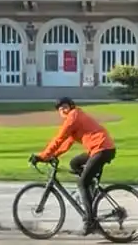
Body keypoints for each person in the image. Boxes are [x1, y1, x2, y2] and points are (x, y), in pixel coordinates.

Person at [32, 97, 116, 234]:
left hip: (102, 149)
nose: (63, 110)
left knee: (82, 183)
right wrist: (53, 156)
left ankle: (90, 222)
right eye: (60, 109)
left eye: (65, 107)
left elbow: (59, 138)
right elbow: (66, 143)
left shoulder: (73, 117)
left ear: (71, 106)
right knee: (74, 163)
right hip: (98, 149)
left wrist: (42, 156)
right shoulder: (74, 118)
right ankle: (89, 193)